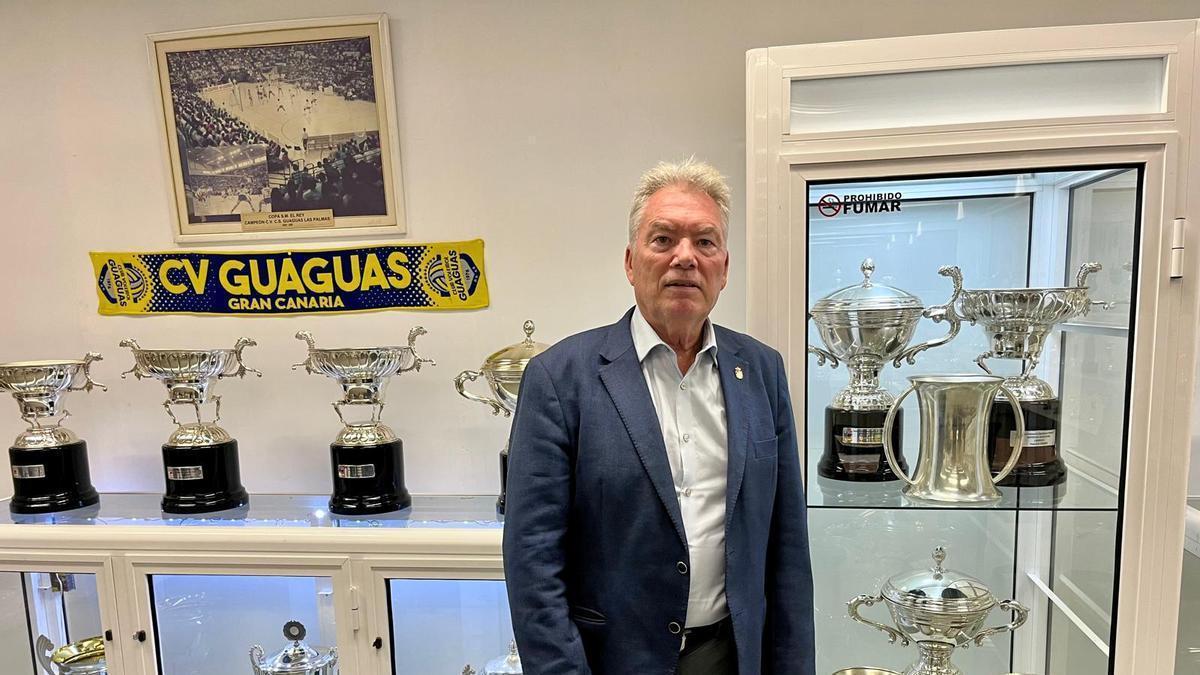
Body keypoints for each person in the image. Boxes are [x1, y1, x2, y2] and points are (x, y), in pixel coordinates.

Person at [503, 158, 814, 675]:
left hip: (735, 655)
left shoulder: (762, 371)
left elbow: (787, 546)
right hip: (613, 661)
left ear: (725, 267)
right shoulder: (561, 378)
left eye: (705, 242)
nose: (685, 258)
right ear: (630, 262)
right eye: (663, 239)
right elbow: (532, 561)